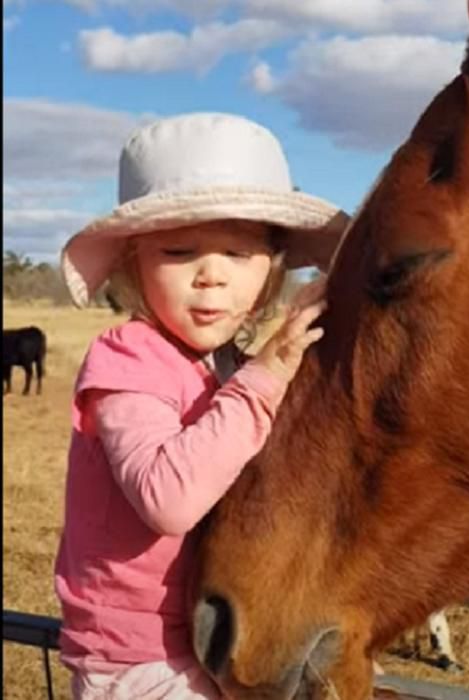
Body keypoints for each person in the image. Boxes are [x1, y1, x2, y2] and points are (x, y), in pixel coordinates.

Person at [54, 112, 349, 699]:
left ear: (272, 268)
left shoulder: (231, 369)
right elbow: (168, 499)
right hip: (138, 662)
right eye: (181, 251)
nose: (211, 276)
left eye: (238, 255)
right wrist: (266, 377)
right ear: (135, 261)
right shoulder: (126, 359)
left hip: (215, 639)